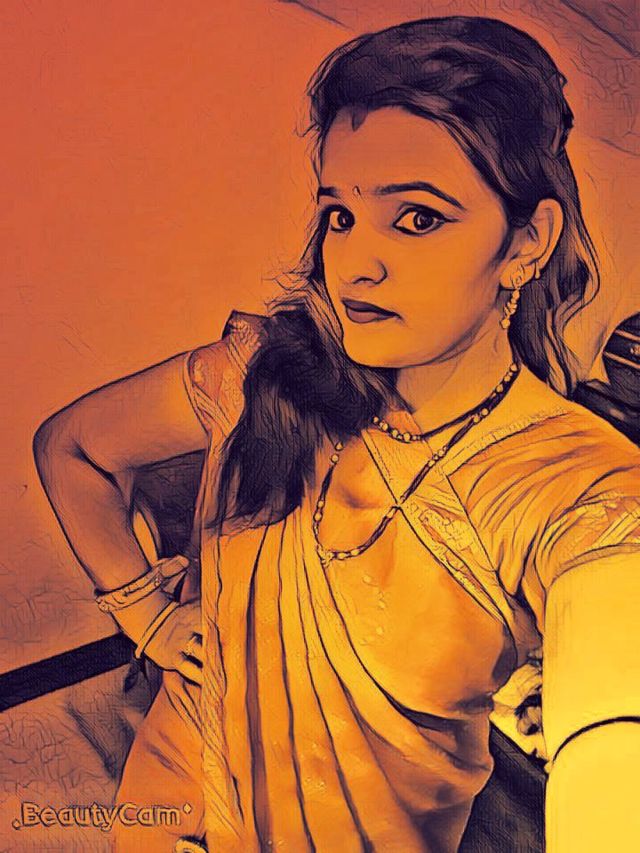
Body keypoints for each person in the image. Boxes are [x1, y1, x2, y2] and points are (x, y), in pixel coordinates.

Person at [33, 15, 640, 853]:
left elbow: (616, 727)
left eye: (417, 217)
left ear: (527, 242)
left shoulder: (574, 480)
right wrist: (147, 615)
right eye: (341, 215)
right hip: (166, 809)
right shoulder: (260, 375)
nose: (354, 263)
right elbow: (72, 449)